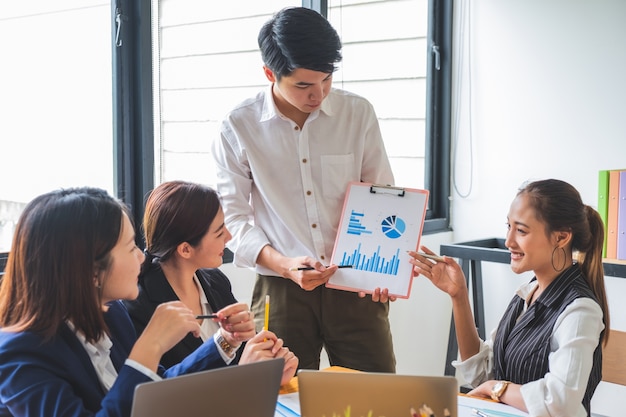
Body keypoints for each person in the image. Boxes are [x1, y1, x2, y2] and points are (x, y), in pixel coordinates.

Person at [212, 6, 396, 372]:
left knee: (377, 398)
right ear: (270, 73)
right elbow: (232, 218)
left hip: (355, 282)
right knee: (279, 398)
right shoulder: (238, 126)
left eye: (326, 79)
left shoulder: (357, 113)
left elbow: (383, 196)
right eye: (303, 85)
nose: (320, 94)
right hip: (280, 288)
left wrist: (384, 271)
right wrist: (284, 265)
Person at [0, 187, 288, 416]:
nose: (142, 256)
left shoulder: (111, 313)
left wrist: (225, 342)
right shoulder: (21, 356)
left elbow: (156, 388)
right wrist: (149, 347)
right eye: (130, 247)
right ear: (91, 272)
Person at [409, 179, 609, 417]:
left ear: (561, 238)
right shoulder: (528, 292)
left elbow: (559, 401)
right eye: (509, 227)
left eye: (521, 230)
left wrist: (497, 388)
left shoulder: (580, 310)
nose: (508, 241)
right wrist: (459, 296)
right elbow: (484, 373)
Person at [123, 180, 298, 384]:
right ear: (185, 249)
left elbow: (243, 355)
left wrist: (271, 367)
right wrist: (245, 373)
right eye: (219, 232)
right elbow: (163, 390)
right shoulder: (138, 306)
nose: (229, 236)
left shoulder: (215, 282)